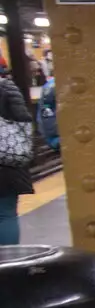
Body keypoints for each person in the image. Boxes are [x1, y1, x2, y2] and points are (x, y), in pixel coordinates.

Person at [0, 65, 33, 245]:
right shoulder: (6, 87)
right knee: (5, 214)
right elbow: (24, 121)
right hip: (6, 163)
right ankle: (7, 261)